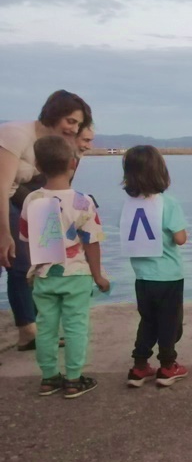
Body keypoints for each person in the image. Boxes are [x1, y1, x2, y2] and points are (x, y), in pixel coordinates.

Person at [0, 90, 92, 350]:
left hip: (15, 197)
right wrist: (5, 234)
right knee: (12, 257)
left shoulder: (58, 145)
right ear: (53, 113)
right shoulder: (16, 135)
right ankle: (29, 329)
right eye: (70, 121)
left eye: (78, 124)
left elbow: (58, 188)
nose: (73, 129)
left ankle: (30, 328)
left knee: (27, 262)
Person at [19, 135, 109, 398]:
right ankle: (73, 378)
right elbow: (92, 242)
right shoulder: (83, 202)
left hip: (44, 276)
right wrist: (98, 275)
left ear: (37, 165)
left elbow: (27, 239)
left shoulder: (32, 199)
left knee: (46, 327)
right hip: (76, 276)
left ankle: (48, 377)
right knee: (75, 327)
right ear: (73, 163)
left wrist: (33, 270)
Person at [122, 146, 189, 387]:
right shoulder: (167, 203)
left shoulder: (130, 205)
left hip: (142, 277)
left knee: (147, 320)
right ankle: (168, 366)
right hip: (168, 276)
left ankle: (139, 367)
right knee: (170, 322)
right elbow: (180, 238)